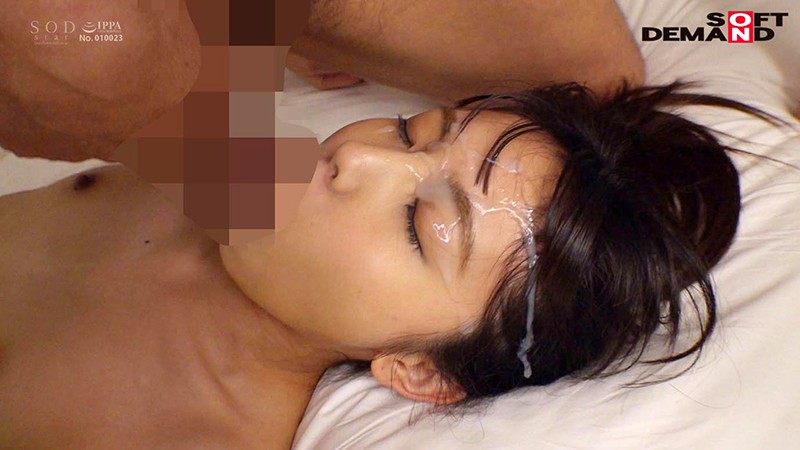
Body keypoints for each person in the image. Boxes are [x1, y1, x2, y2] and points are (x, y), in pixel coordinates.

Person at [0, 1, 776, 448]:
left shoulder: (181, 433)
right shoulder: (236, 165)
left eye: (416, 224)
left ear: (421, 372)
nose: (358, 157)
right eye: (411, 132)